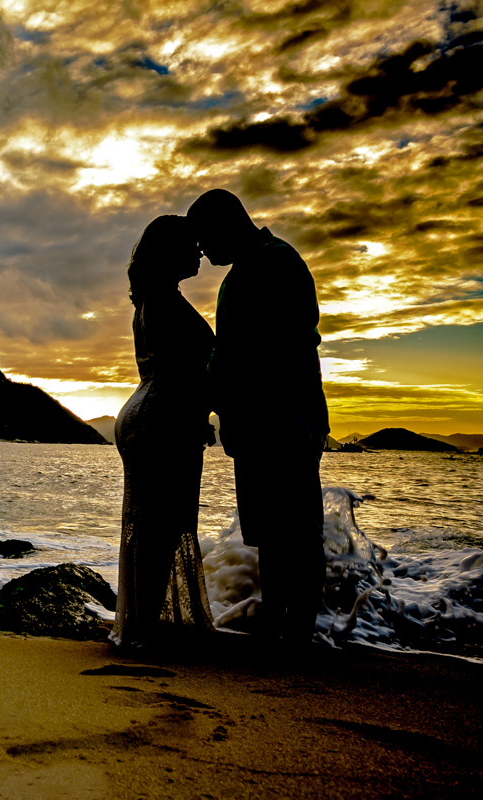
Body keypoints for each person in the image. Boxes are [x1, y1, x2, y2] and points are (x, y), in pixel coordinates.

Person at [186, 189, 328, 643]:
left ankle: (296, 631)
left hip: (281, 419)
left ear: (227, 224)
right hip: (269, 421)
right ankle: (281, 627)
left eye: (205, 241)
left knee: (294, 531)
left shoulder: (271, 263)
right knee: (275, 531)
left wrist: (204, 397)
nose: (203, 254)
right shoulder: (256, 266)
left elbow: (246, 353)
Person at [111, 215, 216, 649]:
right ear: (169, 252)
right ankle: (142, 632)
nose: (200, 252)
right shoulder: (160, 303)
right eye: (191, 246)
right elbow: (181, 374)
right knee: (157, 528)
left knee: (154, 527)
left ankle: (141, 626)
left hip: (154, 416)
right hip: (160, 421)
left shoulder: (155, 299)